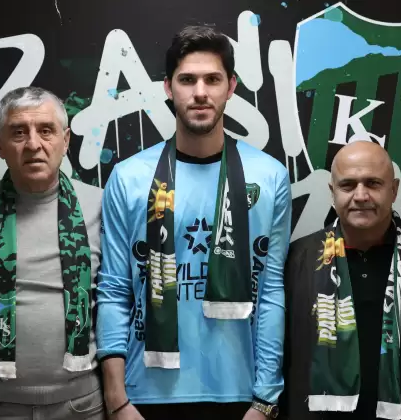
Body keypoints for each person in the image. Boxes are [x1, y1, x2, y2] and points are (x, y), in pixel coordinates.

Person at [96, 25, 292, 420]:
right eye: (187, 80)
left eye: (212, 79)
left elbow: (271, 292)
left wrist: (266, 399)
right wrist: (116, 400)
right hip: (145, 396)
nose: (200, 92)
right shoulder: (129, 177)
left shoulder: (269, 176)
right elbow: (114, 289)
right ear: (168, 88)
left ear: (231, 87)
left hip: (241, 397)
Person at [0, 86, 104, 420]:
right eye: (18, 132)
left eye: (46, 130)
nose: (33, 144)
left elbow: (119, 304)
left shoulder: (100, 206)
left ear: (66, 140)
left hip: (82, 406)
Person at [280, 141, 401, 420]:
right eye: (348, 185)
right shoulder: (295, 260)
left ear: (394, 189)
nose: (361, 195)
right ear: (332, 192)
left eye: (373, 183)